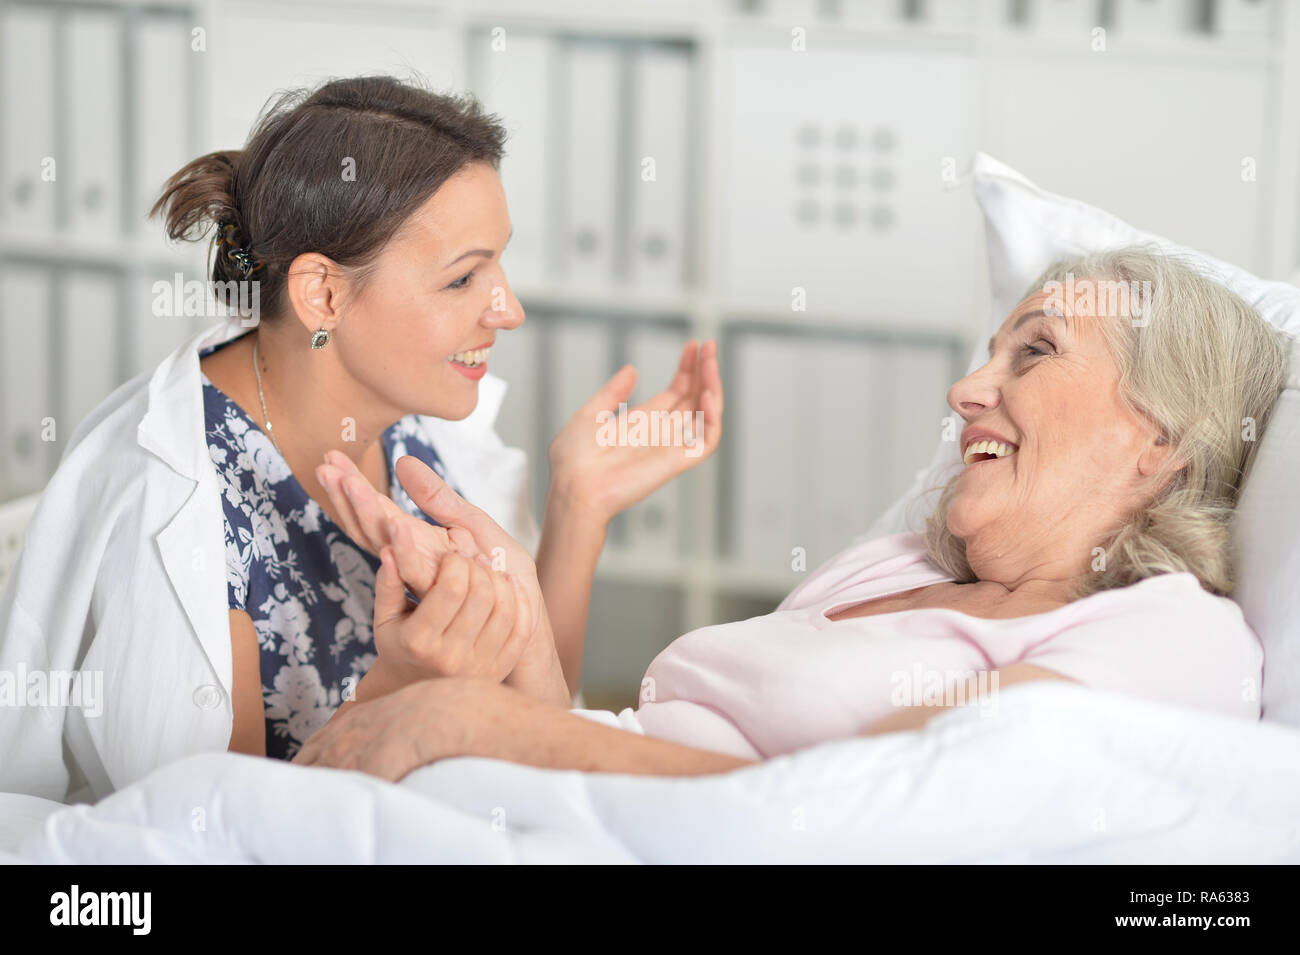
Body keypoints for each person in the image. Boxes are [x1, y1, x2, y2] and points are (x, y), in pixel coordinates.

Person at [291, 247, 1290, 780]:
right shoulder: (900, 565)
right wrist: (532, 572)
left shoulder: (1166, 637)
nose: (964, 392)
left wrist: (471, 725)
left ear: (1159, 437)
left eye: (1032, 352)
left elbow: (839, 818)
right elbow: (634, 756)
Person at [0, 76, 722, 801]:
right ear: (324, 294)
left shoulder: (422, 423)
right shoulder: (174, 518)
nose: (508, 309)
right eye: (463, 278)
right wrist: (397, 689)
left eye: (499, 264)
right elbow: (217, 839)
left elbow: (535, 716)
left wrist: (578, 505)